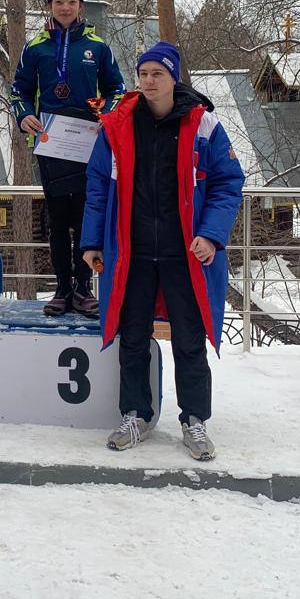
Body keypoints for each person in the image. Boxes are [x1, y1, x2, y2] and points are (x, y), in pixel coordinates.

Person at [80, 41, 244, 460]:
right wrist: (93, 242)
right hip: (131, 253)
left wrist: (210, 234)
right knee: (131, 337)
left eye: (158, 73)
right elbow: (98, 187)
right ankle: (135, 414)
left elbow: (228, 182)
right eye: (144, 73)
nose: (150, 81)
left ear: (174, 77)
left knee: (189, 340)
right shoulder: (118, 125)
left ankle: (194, 420)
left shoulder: (203, 125)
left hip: (185, 254)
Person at [10, 0, 125, 317]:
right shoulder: (36, 46)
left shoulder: (97, 45)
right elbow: (19, 90)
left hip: (89, 143)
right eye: (58, 1)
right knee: (57, 220)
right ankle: (61, 287)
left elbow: (117, 90)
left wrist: (102, 110)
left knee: (86, 216)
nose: (65, 7)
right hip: (51, 143)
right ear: (50, 5)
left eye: (71, 1)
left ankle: (83, 287)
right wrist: (23, 114)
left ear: (80, 6)